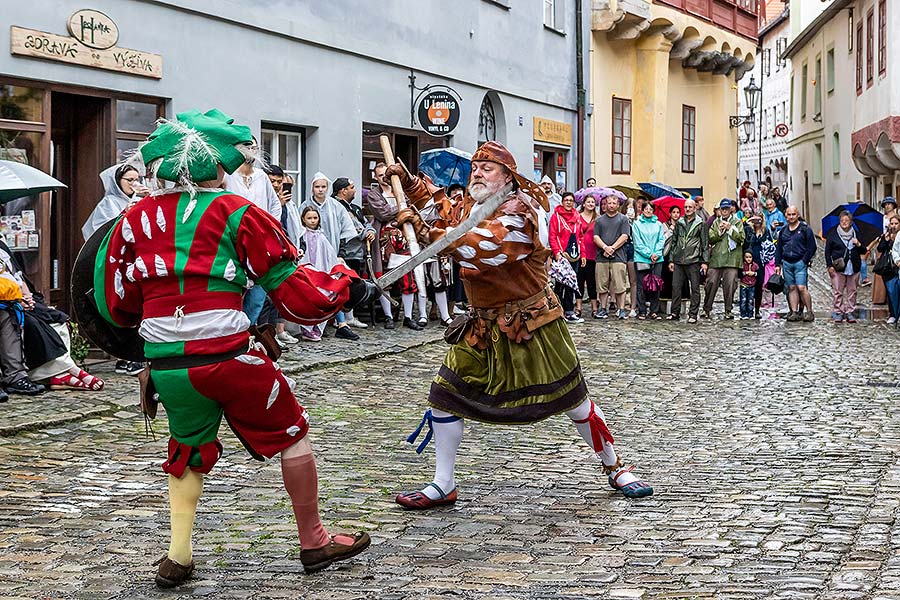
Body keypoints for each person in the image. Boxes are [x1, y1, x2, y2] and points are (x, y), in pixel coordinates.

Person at [89, 109, 374, 587]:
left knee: (185, 450)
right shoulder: (235, 212)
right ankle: (314, 539)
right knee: (293, 433)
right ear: (215, 165)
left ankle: (178, 555)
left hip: (168, 366)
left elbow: (111, 301)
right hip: (228, 358)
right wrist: (348, 286)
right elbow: (299, 298)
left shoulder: (131, 219)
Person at [384, 140, 652, 510]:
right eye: (475, 167)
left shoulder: (521, 212)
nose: (477, 172)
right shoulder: (473, 205)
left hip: (533, 322)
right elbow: (441, 209)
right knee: (444, 397)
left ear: (507, 177)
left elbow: (486, 247)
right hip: (481, 326)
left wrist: (431, 234)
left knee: (574, 401)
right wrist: (410, 183)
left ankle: (615, 466)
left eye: (487, 168)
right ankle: (443, 484)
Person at [82, 163, 149, 376]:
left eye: (137, 179)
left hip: (138, 263)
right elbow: (99, 233)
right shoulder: (108, 204)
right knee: (123, 306)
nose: (134, 184)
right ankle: (126, 356)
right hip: (117, 266)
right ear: (117, 181)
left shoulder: (141, 199)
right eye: (129, 180)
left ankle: (136, 354)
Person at [223, 137, 282, 326]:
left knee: (258, 295)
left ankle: (248, 333)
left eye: (254, 147)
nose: (251, 150)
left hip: (260, 242)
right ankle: (234, 335)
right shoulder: (227, 176)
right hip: (234, 242)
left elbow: (275, 205)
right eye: (247, 146)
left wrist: (270, 228)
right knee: (235, 292)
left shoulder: (261, 176)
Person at [300, 173, 361, 340]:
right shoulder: (305, 206)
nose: (320, 190)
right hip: (312, 257)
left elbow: (345, 230)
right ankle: (317, 323)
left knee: (334, 287)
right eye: (317, 187)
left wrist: (341, 254)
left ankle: (341, 324)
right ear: (312, 188)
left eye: (323, 187)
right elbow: (299, 231)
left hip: (331, 254)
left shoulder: (336, 206)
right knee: (314, 290)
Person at [260, 165, 301, 346]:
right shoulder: (266, 198)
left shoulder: (285, 203)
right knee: (263, 299)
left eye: (279, 181)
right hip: (266, 252)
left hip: (282, 251)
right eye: (273, 181)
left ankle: (275, 333)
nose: (276, 185)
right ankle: (264, 335)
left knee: (275, 298)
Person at [331, 178, 376, 330]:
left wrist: (370, 231)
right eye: (352, 187)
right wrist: (365, 233)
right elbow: (351, 228)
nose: (355, 190)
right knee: (343, 285)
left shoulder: (355, 208)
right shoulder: (336, 206)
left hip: (357, 253)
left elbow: (364, 223)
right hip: (345, 252)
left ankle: (349, 316)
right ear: (343, 190)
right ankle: (342, 318)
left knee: (353, 286)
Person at [365, 162, 403, 328]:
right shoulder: (374, 194)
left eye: (386, 174)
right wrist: (401, 206)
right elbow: (383, 213)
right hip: (383, 241)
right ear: (376, 177)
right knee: (385, 279)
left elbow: (413, 207)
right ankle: (388, 316)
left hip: (402, 239)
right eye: (381, 175)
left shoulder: (400, 190)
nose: (384, 178)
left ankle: (406, 315)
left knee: (406, 279)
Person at [296, 206, 338, 342]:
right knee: (306, 299)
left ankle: (317, 327)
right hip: (306, 271)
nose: (312, 221)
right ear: (303, 219)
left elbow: (329, 254)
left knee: (320, 297)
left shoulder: (321, 236)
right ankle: (306, 328)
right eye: (309, 218)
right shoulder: (301, 235)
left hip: (320, 271)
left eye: (315, 218)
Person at [667, 199, 709, 323]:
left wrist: (705, 262)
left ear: (694, 208)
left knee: (695, 288)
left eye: (690, 207)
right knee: (676, 287)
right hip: (679, 259)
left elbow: (705, 244)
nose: (688, 209)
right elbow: (673, 242)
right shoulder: (679, 222)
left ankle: (693, 314)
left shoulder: (700, 223)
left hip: (694, 260)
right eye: (686, 207)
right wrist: (671, 260)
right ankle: (675, 312)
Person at [703, 199, 745, 319]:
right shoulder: (716, 222)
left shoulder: (737, 222)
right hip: (717, 259)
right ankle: (707, 308)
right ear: (719, 210)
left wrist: (730, 228)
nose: (725, 211)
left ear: (731, 209)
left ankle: (728, 310)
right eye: (722, 209)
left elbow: (741, 238)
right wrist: (720, 231)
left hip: (732, 259)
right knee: (710, 282)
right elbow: (710, 238)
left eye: (727, 208)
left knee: (730, 284)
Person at [775, 205, 817, 322]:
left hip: (800, 262)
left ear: (798, 215)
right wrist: (777, 264)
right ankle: (794, 312)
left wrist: (805, 260)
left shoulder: (805, 229)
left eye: (793, 214)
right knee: (791, 287)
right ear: (786, 216)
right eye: (789, 214)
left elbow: (812, 246)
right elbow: (779, 248)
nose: (791, 217)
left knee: (801, 287)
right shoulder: (783, 230)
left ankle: (809, 311)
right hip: (787, 262)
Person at [593, 195, 631, 319]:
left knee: (620, 285)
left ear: (618, 205)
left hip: (619, 257)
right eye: (609, 203)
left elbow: (625, 236)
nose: (611, 205)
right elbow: (596, 237)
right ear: (605, 205)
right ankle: (603, 309)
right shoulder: (599, 220)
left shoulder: (623, 219)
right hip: (601, 257)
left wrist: (612, 248)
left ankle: (621, 309)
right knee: (602, 285)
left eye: (614, 203)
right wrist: (605, 247)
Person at [549, 191, 584, 323]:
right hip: (562, 255)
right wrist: (557, 252)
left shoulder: (577, 217)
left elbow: (580, 237)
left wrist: (583, 254)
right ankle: (557, 310)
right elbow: (552, 236)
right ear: (562, 202)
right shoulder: (556, 217)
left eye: (571, 200)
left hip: (574, 256)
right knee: (560, 284)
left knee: (571, 284)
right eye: (566, 200)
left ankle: (569, 311)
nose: (569, 202)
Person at [824, 210, 864, 322]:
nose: (844, 222)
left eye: (847, 220)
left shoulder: (856, 233)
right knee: (838, 290)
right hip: (838, 267)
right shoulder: (833, 234)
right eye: (842, 220)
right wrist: (829, 265)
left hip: (854, 266)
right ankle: (838, 311)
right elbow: (827, 251)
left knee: (852, 291)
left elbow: (864, 250)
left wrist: (858, 244)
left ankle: (850, 311)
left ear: (851, 222)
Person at [631, 200, 665, 319]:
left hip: (657, 259)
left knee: (656, 284)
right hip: (641, 258)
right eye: (646, 209)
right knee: (641, 285)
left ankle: (654, 310)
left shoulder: (659, 224)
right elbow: (637, 242)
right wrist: (649, 254)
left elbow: (661, 240)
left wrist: (656, 253)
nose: (648, 211)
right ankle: (642, 310)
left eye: (651, 209)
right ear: (642, 210)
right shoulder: (637, 224)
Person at [575, 195, 600, 318]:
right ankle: (578, 307)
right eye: (588, 202)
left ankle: (594, 307)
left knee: (592, 281)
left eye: (593, 202)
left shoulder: (597, 218)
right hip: (579, 252)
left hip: (593, 253)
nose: (591, 204)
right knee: (579, 280)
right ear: (583, 204)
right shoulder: (577, 217)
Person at [746, 215, 774, 318]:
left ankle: (757, 309)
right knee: (748, 285)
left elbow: (771, 245)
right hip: (749, 260)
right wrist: (748, 223)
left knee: (759, 286)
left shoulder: (766, 231)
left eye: (759, 220)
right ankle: (748, 309)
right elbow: (746, 243)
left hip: (761, 263)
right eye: (755, 220)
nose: (757, 222)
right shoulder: (748, 230)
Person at [877, 215, 900, 324]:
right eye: (892, 223)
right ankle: (893, 314)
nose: (894, 226)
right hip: (889, 268)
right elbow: (880, 249)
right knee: (891, 293)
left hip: (898, 267)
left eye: (896, 223)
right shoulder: (886, 235)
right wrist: (885, 241)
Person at [738, 251, 759, 320]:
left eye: (750, 257)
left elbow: (758, 273)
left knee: (751, 300)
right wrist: (746, 273)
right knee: (743, 300)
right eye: (747, 257)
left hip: (752, 285)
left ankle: (750, 314)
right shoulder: (742, 265)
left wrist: (754, 273)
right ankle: (743, 314)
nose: (748, 259)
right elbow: (739, 274)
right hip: (744, 285)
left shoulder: (755, 265)